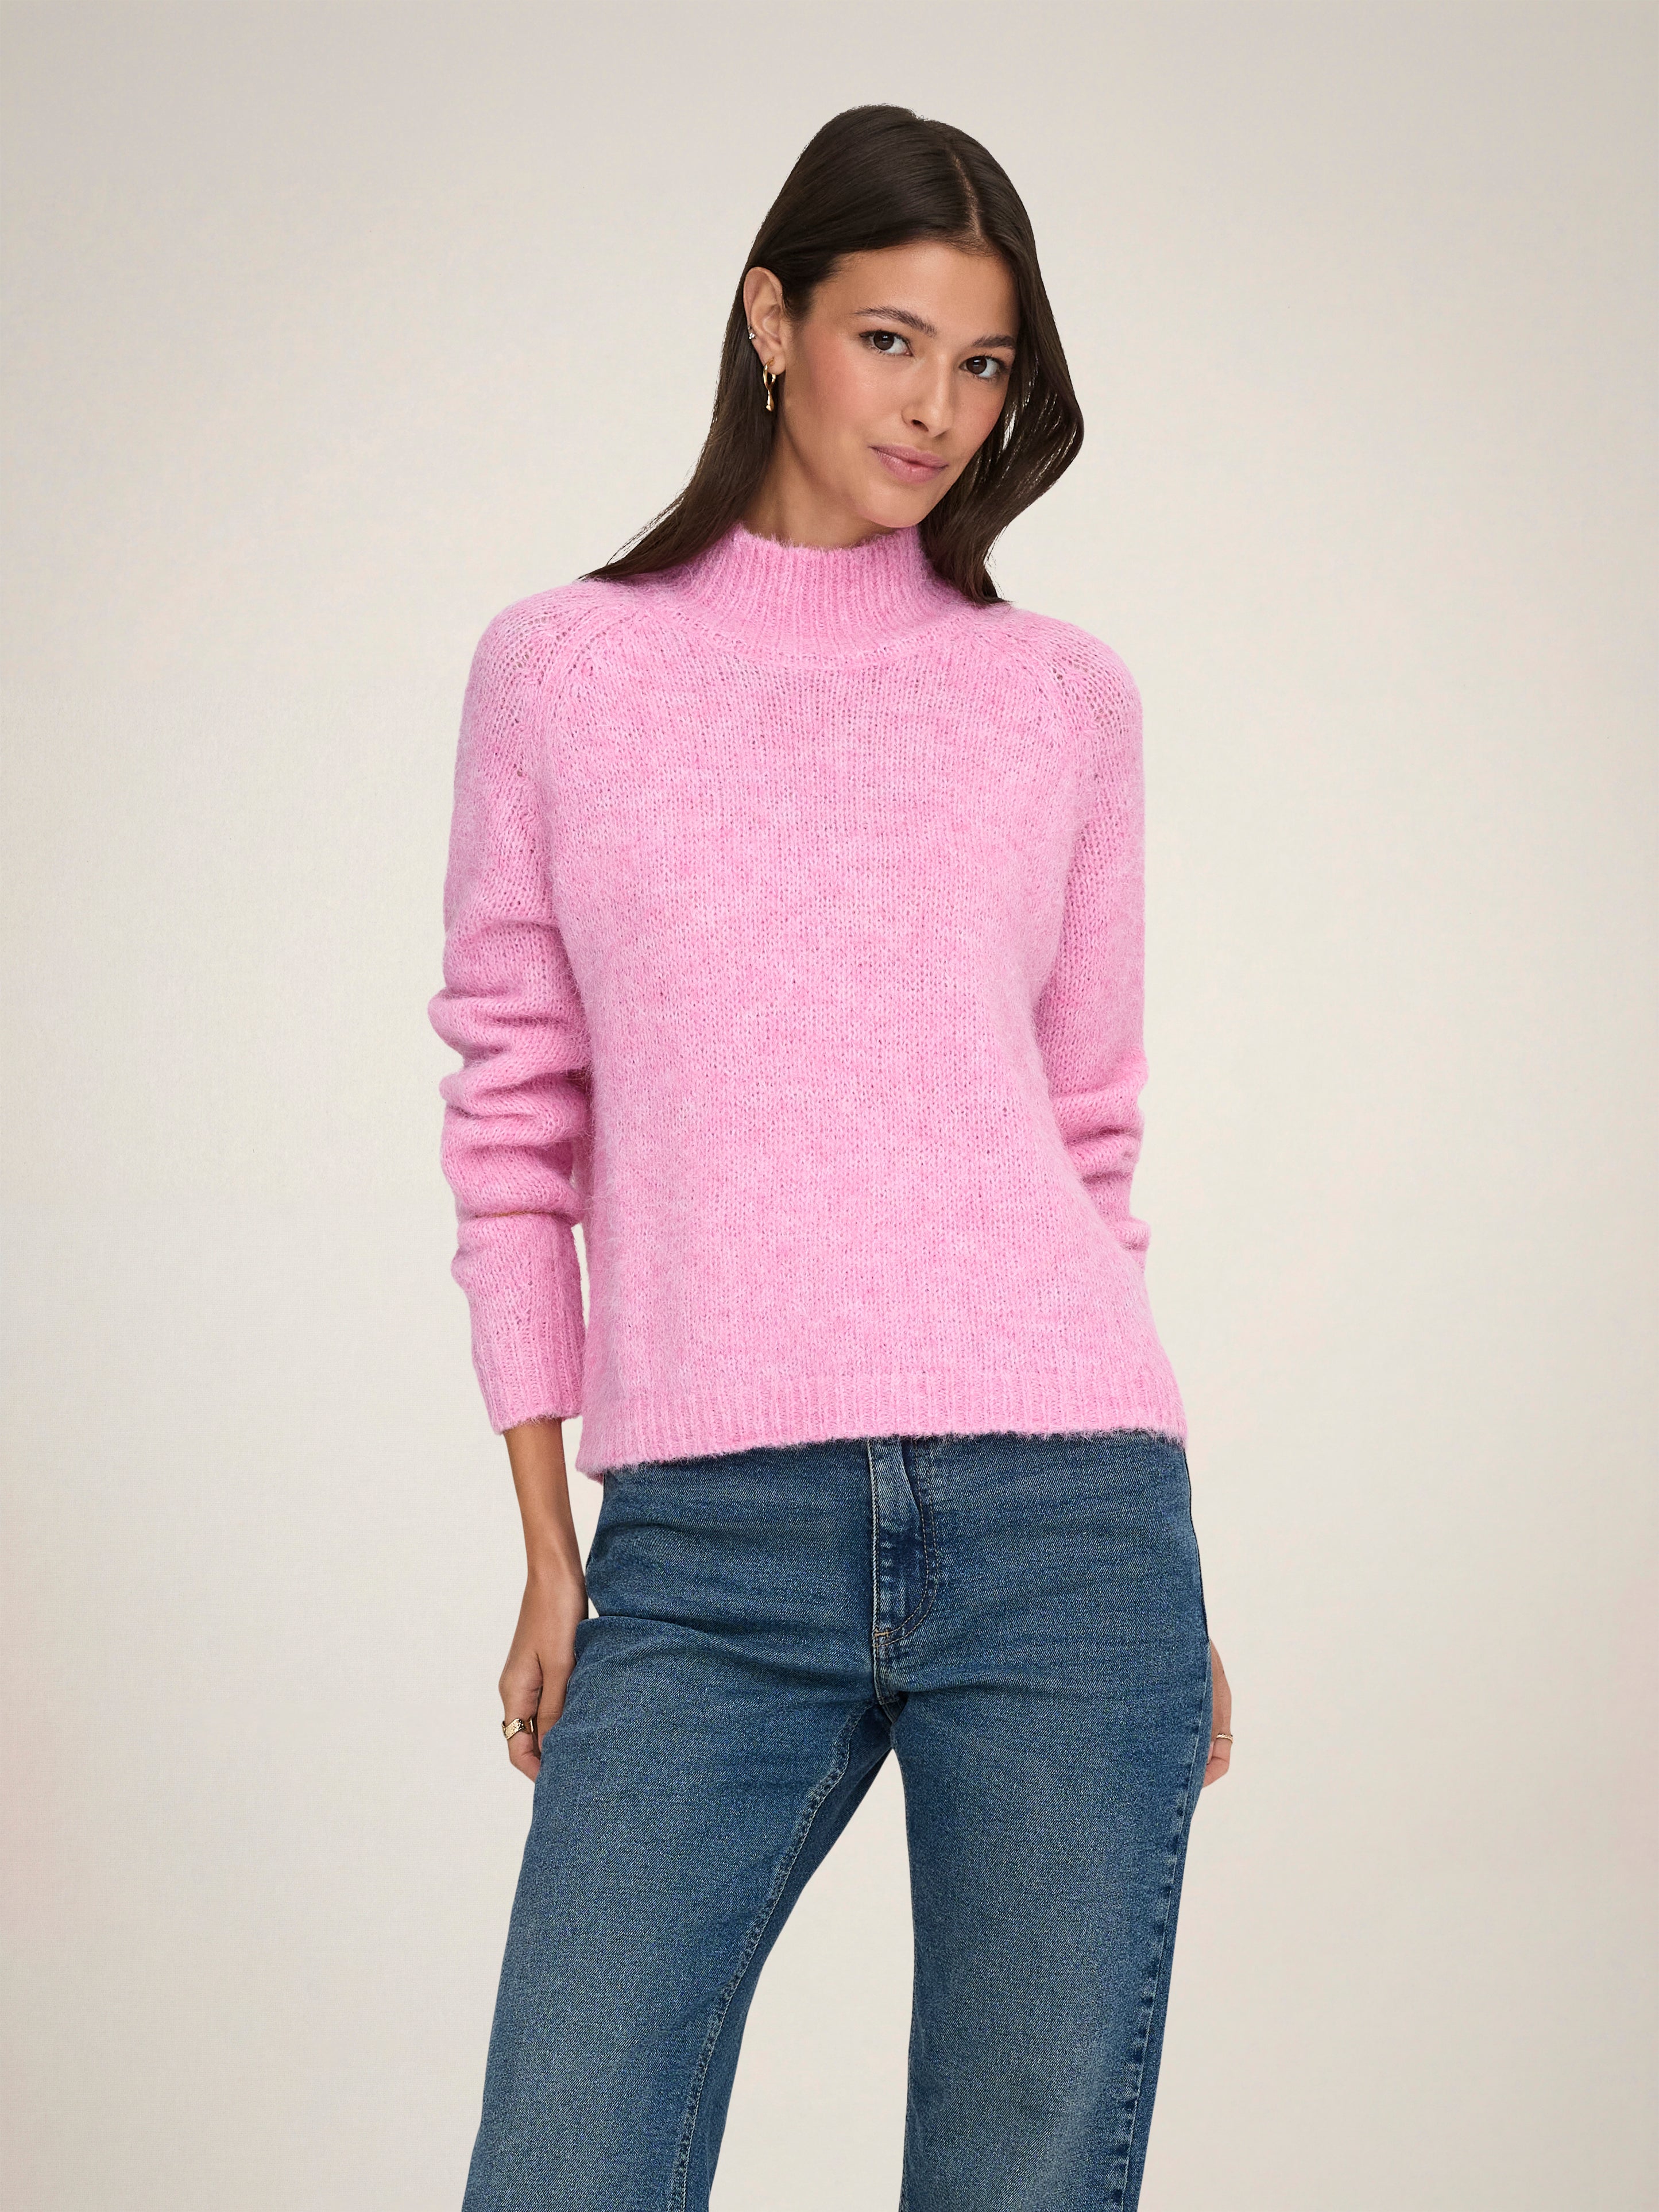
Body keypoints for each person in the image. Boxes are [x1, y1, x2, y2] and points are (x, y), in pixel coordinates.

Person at [428, 100, 1233, 2212]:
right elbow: (512, 1114)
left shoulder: (1056, 699)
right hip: (706, 1540)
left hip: (1071, 1524)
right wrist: (549, 1542)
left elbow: (1084, 1133)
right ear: (769, 319)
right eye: (890, 340)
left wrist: (1161, 1568)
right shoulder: (566, 669)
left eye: (982, 364)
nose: (937, 408)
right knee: (563, 2164)